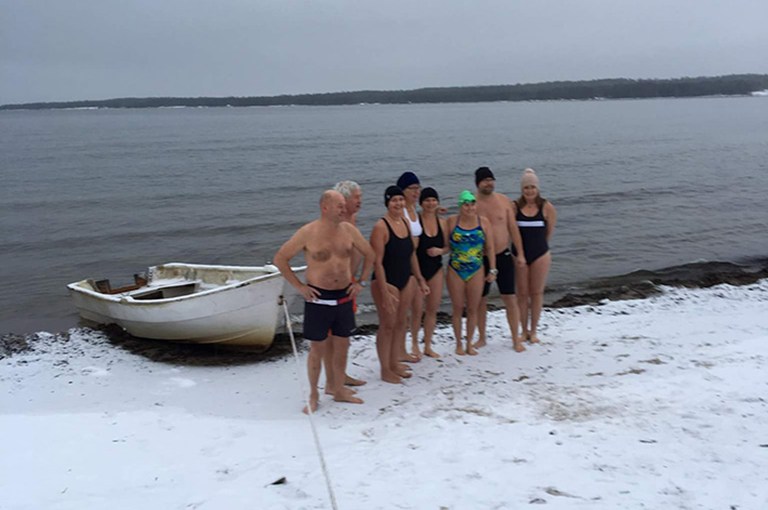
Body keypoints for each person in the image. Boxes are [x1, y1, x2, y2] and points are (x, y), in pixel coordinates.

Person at [273, 190, 375, 413]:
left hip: (344, 296)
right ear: (325, 207)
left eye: (344, 205)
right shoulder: (308, 232)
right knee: (317, 349)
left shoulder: (349, 230)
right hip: (318, 297)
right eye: (339, 205)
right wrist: (300, 287)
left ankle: (338, 389)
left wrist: (361, 282)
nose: (344, 209)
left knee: (342, 345)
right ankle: (313, 394)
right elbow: (281, 258)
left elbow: (370, 253)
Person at [370, 185, 430, 383]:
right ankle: (385, 369)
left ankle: (394, 362)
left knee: (400, 322)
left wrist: (420, 278)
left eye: (400, 200)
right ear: (387, 202)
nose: (398, 203)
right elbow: (376, 262)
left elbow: (411, 253)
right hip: (386, 281)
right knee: (387, 325)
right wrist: (384, 290)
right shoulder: (381, 227)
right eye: (394, 200)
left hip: (406, 278)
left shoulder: (404, 221)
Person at [316, 180, 366, 391]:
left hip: (348, 283)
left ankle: (340, 375)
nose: (360, 201)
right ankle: (330, 382)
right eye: (357, 197)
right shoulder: (331, 223)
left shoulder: (351, 220)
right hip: (331, 286)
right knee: (330, 335)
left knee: (342, 334)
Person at [474, 166, 528, 352]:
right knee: (480, 299)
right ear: (478, 183)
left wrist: (520, 254)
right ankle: (481, 338)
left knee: (509, 297)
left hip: (503, 254)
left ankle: (515, 338)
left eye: (491, 179)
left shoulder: (504, 201)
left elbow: (513, 229)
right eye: (485, 180)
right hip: (481, 258)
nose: (489, 183)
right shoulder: (472, 204)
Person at [446, 190, 496, 355]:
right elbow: (446, 244)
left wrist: (493, 270)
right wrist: (438, 251)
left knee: (473, 308)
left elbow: (489, 248)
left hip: (476, 269)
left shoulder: (484, 222)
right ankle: (459, 343)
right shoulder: (452, 221)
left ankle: (469, 343)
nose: (469, 208)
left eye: (472, 204)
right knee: (458, 308)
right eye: (466, 204)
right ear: (460, 206)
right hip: (455, 269)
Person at [512, 168, 557, 344]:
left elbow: (549, 232)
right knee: (522, 294)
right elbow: (510, 231)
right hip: (519, 255)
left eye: (532, 187)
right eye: (526, 188)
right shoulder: (515, 207)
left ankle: (534, 330)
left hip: (540, 254)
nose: (529, 191)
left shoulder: (547, 207)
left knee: (537, 293)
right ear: (521, 189)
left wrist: (540, 247)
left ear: (537, 188)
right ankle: (524, 330)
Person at [414, 187, 448, 358]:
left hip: (436, 269)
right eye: (427, 200)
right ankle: (414, 345)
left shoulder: (442, 222)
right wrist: (418, 277)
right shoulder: (415, 221)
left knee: (432, 309)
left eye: (434, 200)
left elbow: (449, 246)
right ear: (421, 203)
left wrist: (440, 251)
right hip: (418, 271)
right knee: (417, 310)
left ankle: (427, 345)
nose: (431, 203)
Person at [396, 171, 425, 362]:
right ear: (403, 190)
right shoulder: (401, 211)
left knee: (417, 306)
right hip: (403, 265)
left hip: (418, 263)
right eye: (412, 189)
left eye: (417, 188)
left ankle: (414, 341)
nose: (416, 192)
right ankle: (400, 348)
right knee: (402, 310)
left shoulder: (416, 210)